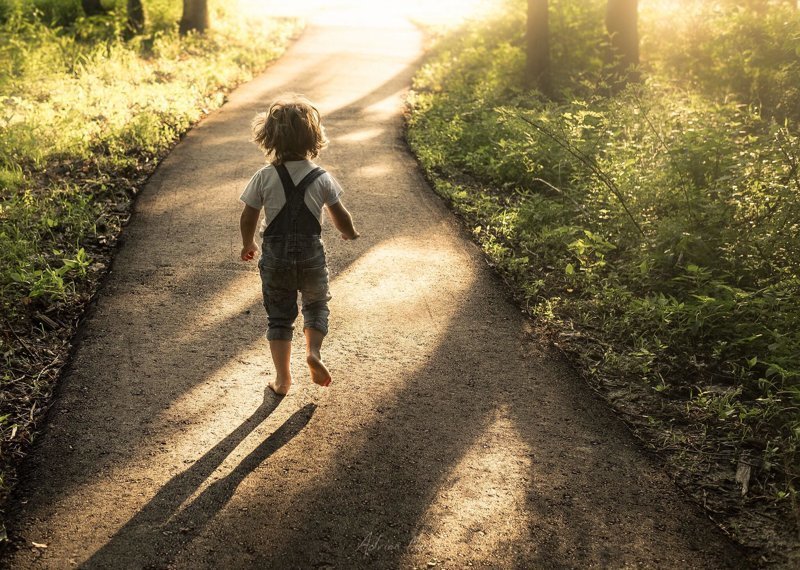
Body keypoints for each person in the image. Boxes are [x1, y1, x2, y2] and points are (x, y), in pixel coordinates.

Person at [239, 94, 359, 396]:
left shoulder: (264, 176)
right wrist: (349, 232)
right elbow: (339, 213)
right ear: (313, 138)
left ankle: (282, 380)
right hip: (311, 258)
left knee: (279, 317)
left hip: (276, 260)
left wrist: (248, 242)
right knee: (316, 306)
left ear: (268, 138)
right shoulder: (321, 177)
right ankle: (314, 353)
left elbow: (249, 213)